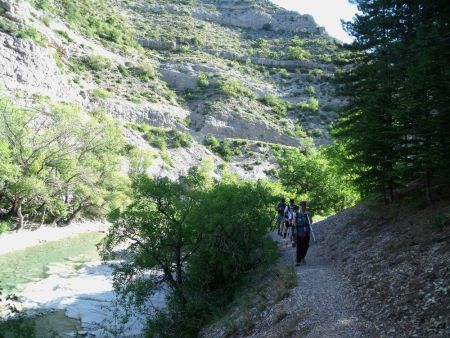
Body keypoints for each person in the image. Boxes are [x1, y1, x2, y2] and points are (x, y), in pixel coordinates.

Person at [294, 201, 312, 266]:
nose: (302, 207)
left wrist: (309, 216)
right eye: (301, 206)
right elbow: (294, 222)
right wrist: (296, 224)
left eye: (304, 206)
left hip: (306, 231)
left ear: (305, 206)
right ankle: (298, 260)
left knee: (306, 246)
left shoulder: (308, 213)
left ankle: (302, 257)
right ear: (299, 206)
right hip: (299, 231)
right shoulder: (296, 214)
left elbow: (311, 222)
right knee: (299, 246)